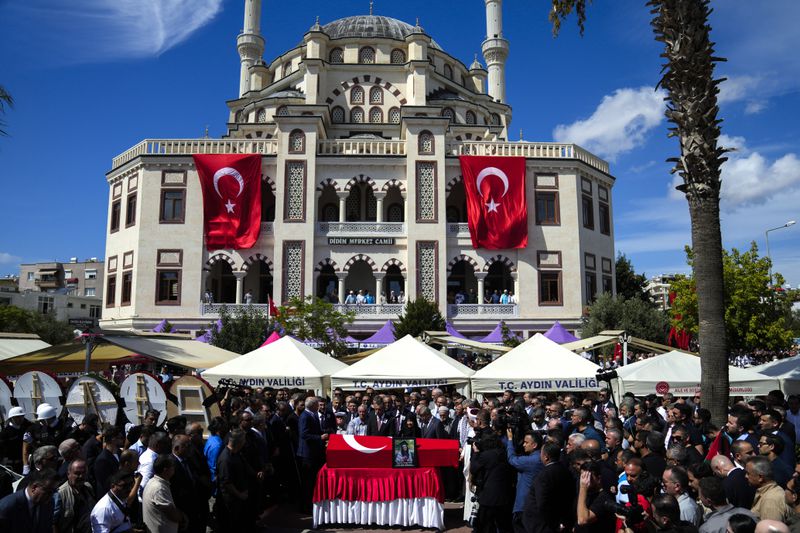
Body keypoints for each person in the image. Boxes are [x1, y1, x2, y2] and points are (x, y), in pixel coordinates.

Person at [522, 442, 575, 533]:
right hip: (558, 520)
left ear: (546, 457)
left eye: (541, 454)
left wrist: (553, 524)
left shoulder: (544, 475)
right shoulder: (565, 471)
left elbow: (542, 503)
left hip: (542, 524)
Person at [469, 431, 514, 533]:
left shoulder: (486, 455)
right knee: (503, 526)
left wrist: (476, 453)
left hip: (488, 498)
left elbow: (474, 468)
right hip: (504, 496)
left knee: (485, 525)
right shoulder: (504, 453)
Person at [0, 468, 59, 533]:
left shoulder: (49, 503)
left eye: (54, 491)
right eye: (48, 491)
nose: (51, 496)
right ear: (34, 487)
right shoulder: (6, 507)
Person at [216, 429, 251, 532]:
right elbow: (227, 482)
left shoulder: (236, 454)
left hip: (239, 498)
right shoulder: (225, 459)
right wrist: (240, 495)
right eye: (244, 440)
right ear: (239, 442)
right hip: (231, 501)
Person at [297, 397, 328, 513]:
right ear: (313, 405)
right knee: (307, 482)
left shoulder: (313, 415)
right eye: (317, 405)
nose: (319, 407)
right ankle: (305, 506)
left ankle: (310, 503)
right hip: (307, 454)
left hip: (314, 453)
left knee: (312, 481)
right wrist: (319, 437)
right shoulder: (305, 416)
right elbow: (304, 434)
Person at [142, 455, 184, 533]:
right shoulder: (159, 488)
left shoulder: (154, 482)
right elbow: (171, 513)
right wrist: (183, 517)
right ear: (165, 470)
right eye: (172, 467)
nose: (174, 469)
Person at [54, 458, 97, 533]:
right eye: (77, 473)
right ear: (68, 474)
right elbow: (53, 523)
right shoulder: (60, 494)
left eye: (84, 473)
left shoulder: (88, 487)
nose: (81, 476)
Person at [745, 455, 791, 521]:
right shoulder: (770, 492)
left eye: (748, 473)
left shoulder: (771, 500)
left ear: (760, 477)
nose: (745, 476)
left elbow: (770, 530)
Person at [575, 461, 616, 533]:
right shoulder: (586, 494)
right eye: (583, 477)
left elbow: (582, 520)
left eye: (588, 477)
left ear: (599, 478)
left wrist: (583, 488)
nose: (584, 481)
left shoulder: (604, 498)